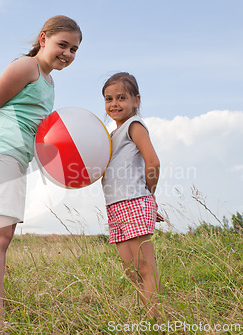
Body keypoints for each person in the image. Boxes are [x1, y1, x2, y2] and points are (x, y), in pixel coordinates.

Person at [0, 15, 82, 333]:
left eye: (74, 49)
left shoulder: (50, 83)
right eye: (62, 44)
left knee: (0, 237)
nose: (67, 53)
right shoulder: (26, 68)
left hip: (15, 158)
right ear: (43, 39)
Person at [101, 72, 161, 319]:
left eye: (121, 98)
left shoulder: (133, 126)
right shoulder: (110, 135)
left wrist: (149, 192)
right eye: (108, 99)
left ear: (136, 100)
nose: (114, 104)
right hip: (114, 205)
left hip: (134, 201)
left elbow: (153, 161)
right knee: (131, 269)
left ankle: (154, 317)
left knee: (145, 266)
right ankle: (147, 312)